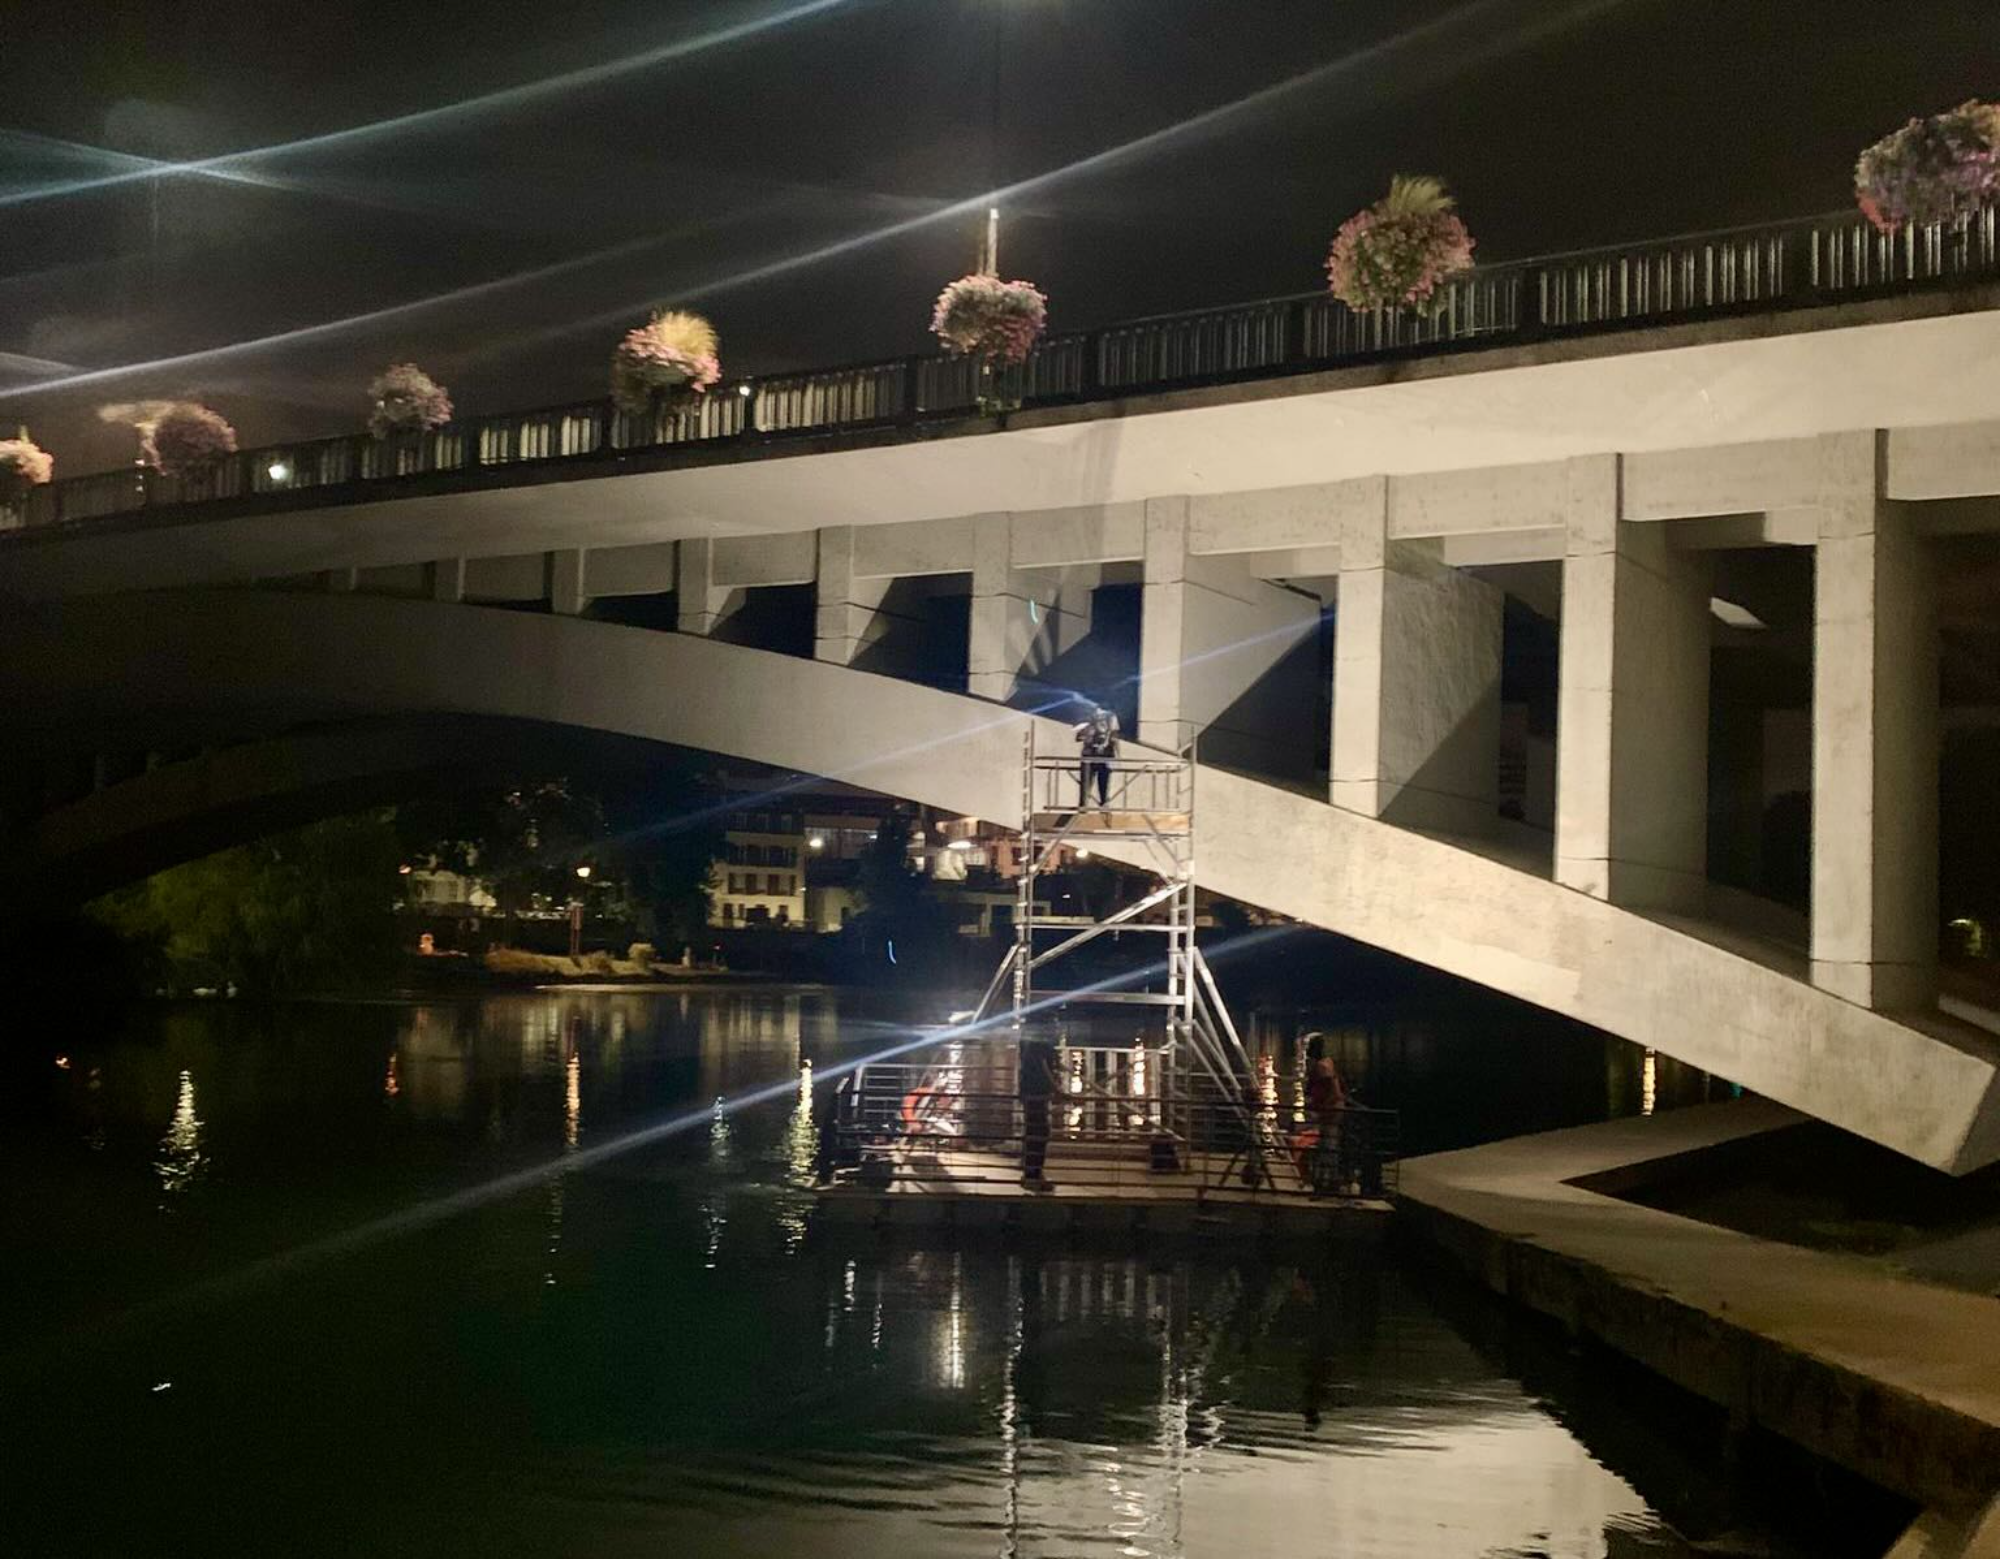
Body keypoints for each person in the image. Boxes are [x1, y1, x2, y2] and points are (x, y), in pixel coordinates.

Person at [1018, 1032, 1060, 1191]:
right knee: (1039, 1133)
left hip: (1032, 1093)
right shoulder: (1039, 1044)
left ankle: (1032, 1174)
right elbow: (1044, 1068)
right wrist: (1057, 1090)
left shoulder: (1030, 1044)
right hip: (1036, 1094)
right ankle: (1033, 1176)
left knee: (1035, 1133)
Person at [1073, 706, 1120, 809]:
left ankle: (1100, 803)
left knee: (1101, 781)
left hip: (1102, 754)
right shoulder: (1089, 717)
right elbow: (1079, 735)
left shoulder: (1110, 716)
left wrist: (1116, 754)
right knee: (1088, 781)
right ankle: (1085, 804)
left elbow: (1114, 736)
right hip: (1091, 754)